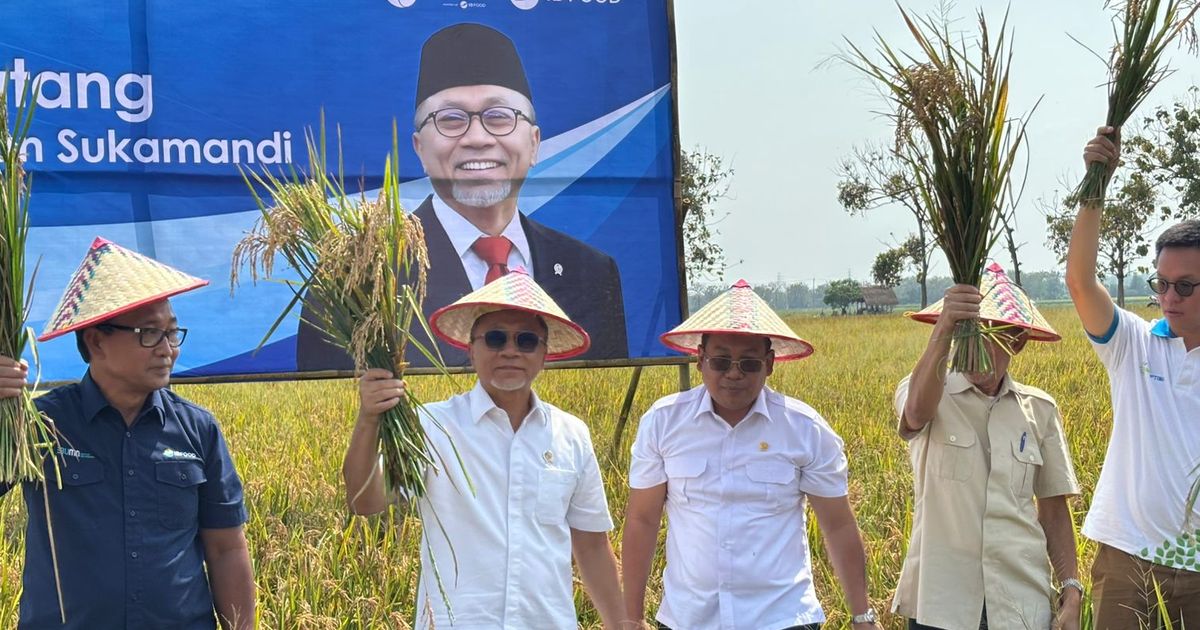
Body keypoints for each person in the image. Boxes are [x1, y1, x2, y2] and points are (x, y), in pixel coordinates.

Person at [297, 22, 627, 370]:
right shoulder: (356, 275)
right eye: (451, 119)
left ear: (533, 143)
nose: (477, 138)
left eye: (498, 117)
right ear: (420, 148)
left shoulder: (591, 272)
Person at [341, 270, 626, 629]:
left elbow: (591, 546)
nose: (510, 350)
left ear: (543, 353)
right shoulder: (431, 426)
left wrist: (625, 624)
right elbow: (364, 501)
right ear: (471, 350)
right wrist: (368, 419)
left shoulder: (571, 434)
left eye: (526, 340)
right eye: (495, 338)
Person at [0, 237, 255, 629]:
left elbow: (225, 549)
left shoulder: (197, 430)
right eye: (149, 333)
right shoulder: (40, 423)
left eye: (172, 333)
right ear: (97, 340)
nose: (167, 349)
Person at [622, 279, 881, 630]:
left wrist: (862, 616)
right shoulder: (664, 422)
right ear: (700, 360)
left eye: (749, 364)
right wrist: (630, 618)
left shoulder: (804, 429)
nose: (733, 373)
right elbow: (642, 519)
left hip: (781, 618)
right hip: (690, 618)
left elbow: (837, 525)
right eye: (721, 361)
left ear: (770, 364)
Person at [892, 263, 1082, 630]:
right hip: (941, 605)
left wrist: (1071, 590)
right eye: (970, 335)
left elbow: (1054, 508)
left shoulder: (1039, 409)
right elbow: (914, 414)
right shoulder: (929, 392)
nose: (977, 350)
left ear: (1018, 340)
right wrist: (946, 327)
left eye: (992, 338)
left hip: (1019, 603)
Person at [1068, 127, 1200, 627]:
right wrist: (1095, 186)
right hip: (1128, 559)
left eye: (1185, 287)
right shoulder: (1134, 344)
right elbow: (1081, 282)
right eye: (1162, 284)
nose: (1169, 298)